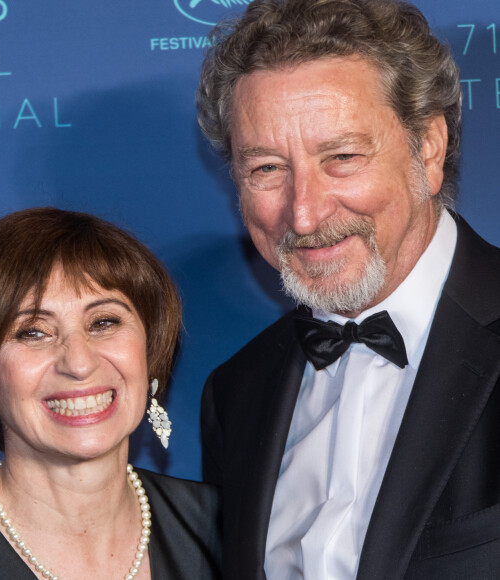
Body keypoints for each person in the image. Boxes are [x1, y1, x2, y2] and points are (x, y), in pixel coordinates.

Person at [196, 0, 500, 578]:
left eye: (341, 157)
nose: (304, 214)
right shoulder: (236, 392)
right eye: (266, 169)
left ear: (428, 149)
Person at [0, 207, 221, 580]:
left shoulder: (229, 532)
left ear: (150, 353)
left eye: (104, 322)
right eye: (32, 332)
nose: (78, 363)